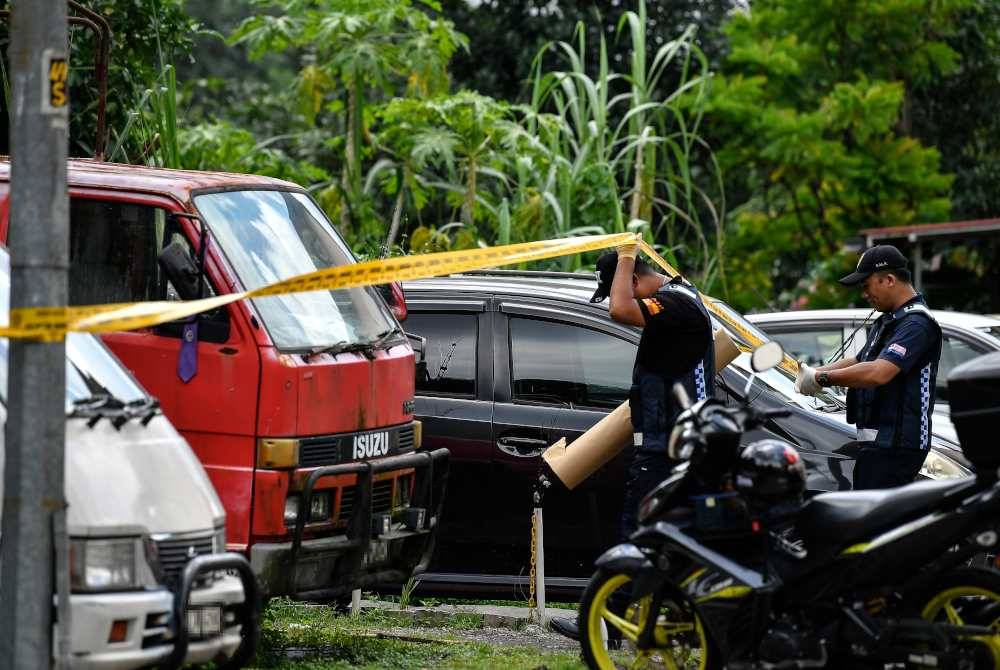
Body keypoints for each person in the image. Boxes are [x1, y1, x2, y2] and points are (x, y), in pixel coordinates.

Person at [551, 243, 715, 640]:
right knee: (666, 539)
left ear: (636, 278)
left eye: (619, 286)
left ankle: (608, 624)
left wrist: (624, 257)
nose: (614, 298)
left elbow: (621, 309)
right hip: (673, 442)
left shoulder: (675, 305)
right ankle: (652, 621)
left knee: (637, 533)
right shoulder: (679, 302)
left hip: (669, 448)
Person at [795, 245, 942, 489]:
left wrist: (823, 379)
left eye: (866, 285)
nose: (864, 294)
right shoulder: (889, 320)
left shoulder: (916, 324)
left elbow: (879, 372)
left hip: (896, 447)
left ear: (890, 280)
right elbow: (860, 361)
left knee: (877, 523)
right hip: (879, 446)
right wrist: (811, 372)